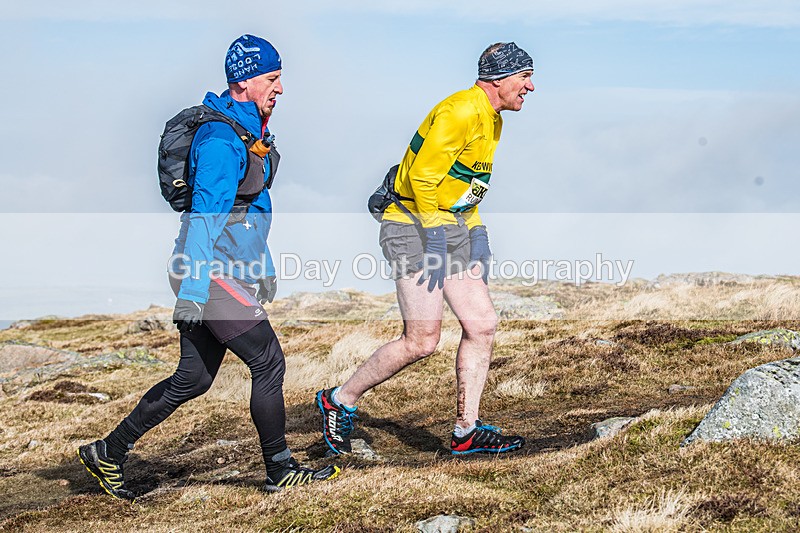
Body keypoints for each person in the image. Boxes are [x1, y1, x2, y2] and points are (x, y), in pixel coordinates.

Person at [78, 34, 339, 499]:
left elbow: (250, 210)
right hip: (208, 274)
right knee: (269, 361)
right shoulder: (221, 141)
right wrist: (195, 294)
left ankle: (108, 451)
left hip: (224, 271)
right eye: (272, 79)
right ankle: (280, 470)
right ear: (244, 81)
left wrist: (263, 265)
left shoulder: (246, 132)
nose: (280, 89)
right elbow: (204, 219)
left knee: (193, 378)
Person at [317, 42, 535, 456]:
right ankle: (339, 400)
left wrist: (477, 230)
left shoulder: (492, 120)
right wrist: (436, 233)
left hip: (445, 225)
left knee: (482, 323)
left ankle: (466, 430)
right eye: (524, 76)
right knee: (421, 340)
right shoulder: (460, 111)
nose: (530, 86)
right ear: (500, 78)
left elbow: (465, 187)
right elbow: (421, 177)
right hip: (410, 226)